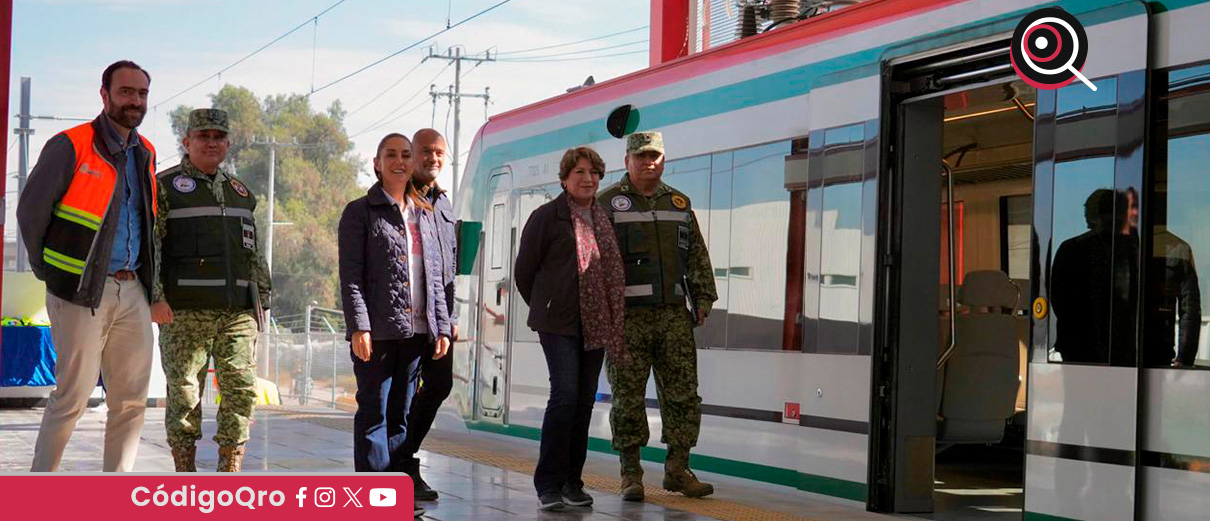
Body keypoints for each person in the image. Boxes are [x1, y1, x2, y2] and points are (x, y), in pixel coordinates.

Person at [17, 60, 158, 472]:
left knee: (131, 400)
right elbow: (31, 214)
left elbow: (145, 222)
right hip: (78, 292)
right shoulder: (71, 144)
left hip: (132, 290)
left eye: (142, 94)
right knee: (72, 397)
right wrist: (52, 273)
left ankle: (115, 494)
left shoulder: (145, 152)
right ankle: (39, 489)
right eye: (126, 92)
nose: (135, 101)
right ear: (105, 95)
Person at [598, 131, 717, 500]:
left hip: (673, 318)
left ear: (664, 160)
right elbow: (594, 262)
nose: (649, 162)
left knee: (683, 396)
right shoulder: (606, 204)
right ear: (627, 161)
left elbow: (695, 253)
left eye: (656, 156)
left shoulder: (679, 203)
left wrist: (703, 296)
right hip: (627, 320)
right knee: (628, 398)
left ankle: (678, 470)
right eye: (642, 156)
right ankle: (631, 474)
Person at [150, 108, 272, 472]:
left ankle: (229, 472)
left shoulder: (241, 193)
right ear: (187, 142)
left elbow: (252, 250)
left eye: (218, 137)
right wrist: (156, 297)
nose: (211, 142)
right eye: (203, 136)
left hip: (237, 313)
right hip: (184, 312)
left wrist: (262, 299)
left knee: (240, 391)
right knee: (185, 396)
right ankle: (185, 473)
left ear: (227, 144)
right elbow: (153, 246)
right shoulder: (164, 187)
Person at [339, 133, 451, 518]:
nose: (401, 162)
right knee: (374, 410)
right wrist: (359, 327)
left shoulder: (424, 212)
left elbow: (434, 274)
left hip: (418, 330)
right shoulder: (360, 212)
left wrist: (442, 328)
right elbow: (351, 276)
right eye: (392, 155)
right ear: (377, 162)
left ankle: (394, 489)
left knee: (401, 413)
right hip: (378, 330)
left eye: (406, 155)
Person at [516, 147, 626, 511]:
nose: (587, 178)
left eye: (594, 172)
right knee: (564, 395)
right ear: (564, 178)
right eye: (579, 172)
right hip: (558, 322)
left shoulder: (603, 218)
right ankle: (547, 483)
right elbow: (524, 272)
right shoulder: (547, 217)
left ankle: (571, 482)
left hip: (595, 323)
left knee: (583, 400)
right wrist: (546, 305)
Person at [401, 128, 458, 502]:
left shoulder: (444, 204)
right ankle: (399, 467)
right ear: (411, 154)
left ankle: (405, 456)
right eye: (425, 151)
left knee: (439, 384)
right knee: (399, 396)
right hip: (403, 318)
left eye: (439, 152)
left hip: (437, 319)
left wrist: (450, 319)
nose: (432, 157)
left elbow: (448, 267)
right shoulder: (399, 197)